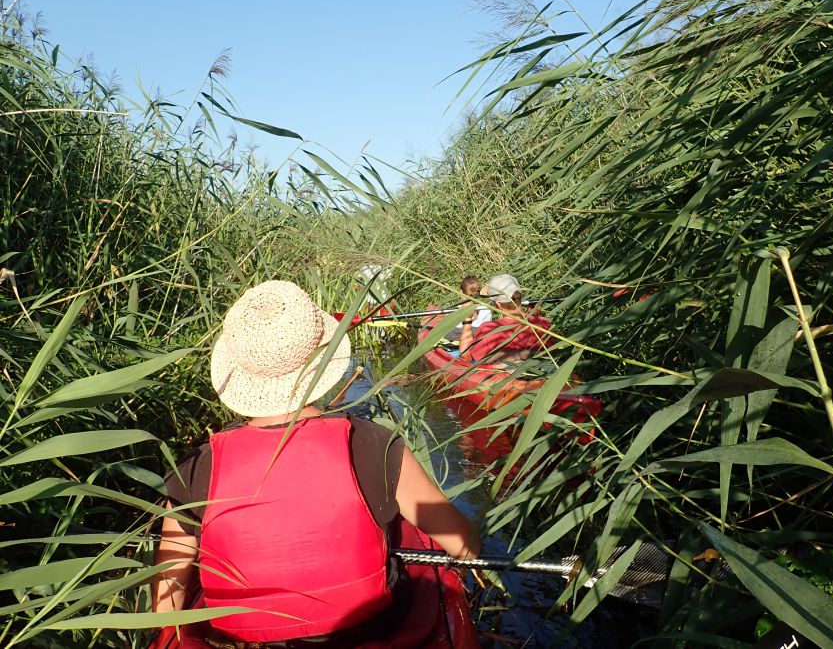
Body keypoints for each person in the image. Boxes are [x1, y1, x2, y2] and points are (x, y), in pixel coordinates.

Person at [152, 281, 480, 646]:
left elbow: (170, 590)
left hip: (240, 637)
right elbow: (461, 545)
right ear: (322, 361)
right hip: (369, 627)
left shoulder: (197, 465)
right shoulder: (372, 442)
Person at [459, 274, 552, 365]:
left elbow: (466, 357)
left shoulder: (489, 329)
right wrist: (535, 317)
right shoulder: (544, 324)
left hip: (504, 377)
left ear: (498, 304)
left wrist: (467, 319)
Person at [444, 275, 492, 356]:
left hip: (457, 350)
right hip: (478, 351)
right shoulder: (486, 310)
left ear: (461, 291)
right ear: (477, 293)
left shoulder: (450, 313)